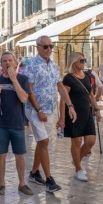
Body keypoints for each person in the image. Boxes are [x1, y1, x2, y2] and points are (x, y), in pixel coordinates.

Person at [24, 36, 77, 193]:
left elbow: (60, 87)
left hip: (50, 109)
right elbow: (29, 89)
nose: (49, 49)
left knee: (42, 143)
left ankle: (34, 173)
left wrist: (70, 106)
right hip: (35, 110)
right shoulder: (31, 65)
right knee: (45, 141)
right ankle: (49, 180)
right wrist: (39, 110)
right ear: (38, 47)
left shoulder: (54, 66)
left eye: (50, 46)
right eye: (45, 46)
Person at [0, 52, 33, 196]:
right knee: (1, 154)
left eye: (10, 60)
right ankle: (1, 183)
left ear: (15, 63)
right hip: (0, 124)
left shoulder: (23, 79)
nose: (8, 63)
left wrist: (14, 80)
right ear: (1, 64)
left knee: (20, 155)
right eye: (4, 61)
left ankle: (22, 183)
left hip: (17, 123)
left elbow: (24, 98)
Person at [58, 52, 100, 182]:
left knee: (91, 141)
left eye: (84, 60)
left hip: (87, 112)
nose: (84, 62)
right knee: (76, 141)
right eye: (81, 60)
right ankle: (78, 169)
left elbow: (91, 94)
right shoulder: (68, 79)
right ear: (74, 62)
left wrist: (97, 109)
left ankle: (76, 160)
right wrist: (62, 118)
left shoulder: (87, 75)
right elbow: (63, 99)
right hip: (74, 114)